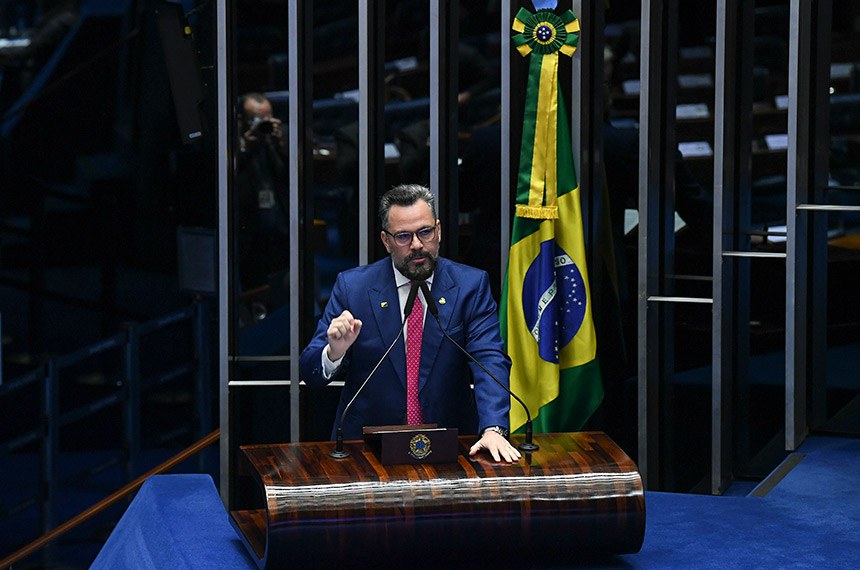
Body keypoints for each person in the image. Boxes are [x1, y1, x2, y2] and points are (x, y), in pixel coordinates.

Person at [299, 184, 520, 462]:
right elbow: (311, 372)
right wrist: (334, 352)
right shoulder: (353, 287)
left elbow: (489, 360)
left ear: (439, 231)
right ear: (386, 240)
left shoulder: (469, 286)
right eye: (403, 236)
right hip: (367, 450)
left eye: (425, 232)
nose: (417, 244)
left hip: (449, 446)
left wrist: (493, 428)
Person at [234, 92, 290, 291]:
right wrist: (244, 149)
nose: (262, 125)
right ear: (241, 120)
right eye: (256, 120)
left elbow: (299, 176)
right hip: (248, 234)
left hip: (281, 231)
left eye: (267, 119)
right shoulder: (230, 142)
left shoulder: (281, 137)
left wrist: (279, 146)